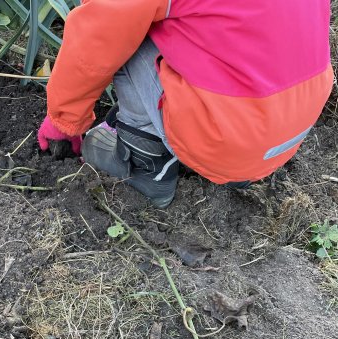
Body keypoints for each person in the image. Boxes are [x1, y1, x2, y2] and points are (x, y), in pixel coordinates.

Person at [37, 0, 333, 209]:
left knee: (123, 29)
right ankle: (237, 167)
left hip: (230, 136)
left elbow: (98, 33)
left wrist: (63, 121)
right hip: (289, 128)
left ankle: (144, 158)